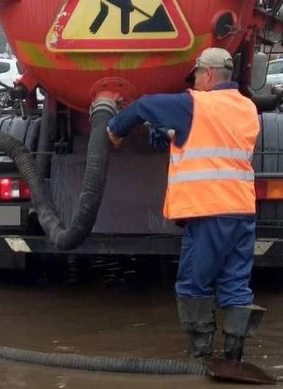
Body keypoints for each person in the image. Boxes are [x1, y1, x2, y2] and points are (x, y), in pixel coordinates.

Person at [106, 47, 265, 361]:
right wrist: (171, 135)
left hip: (208, 212)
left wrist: (115, 129)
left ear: (207, 74)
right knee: (235, 286)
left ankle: (200, 358)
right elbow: (214, 141)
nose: (194, 84)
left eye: (196, 77)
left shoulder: (196, 104)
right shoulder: (246, 108)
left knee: (193, 285)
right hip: (241, 213)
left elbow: (144, 105)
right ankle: (234, 359)